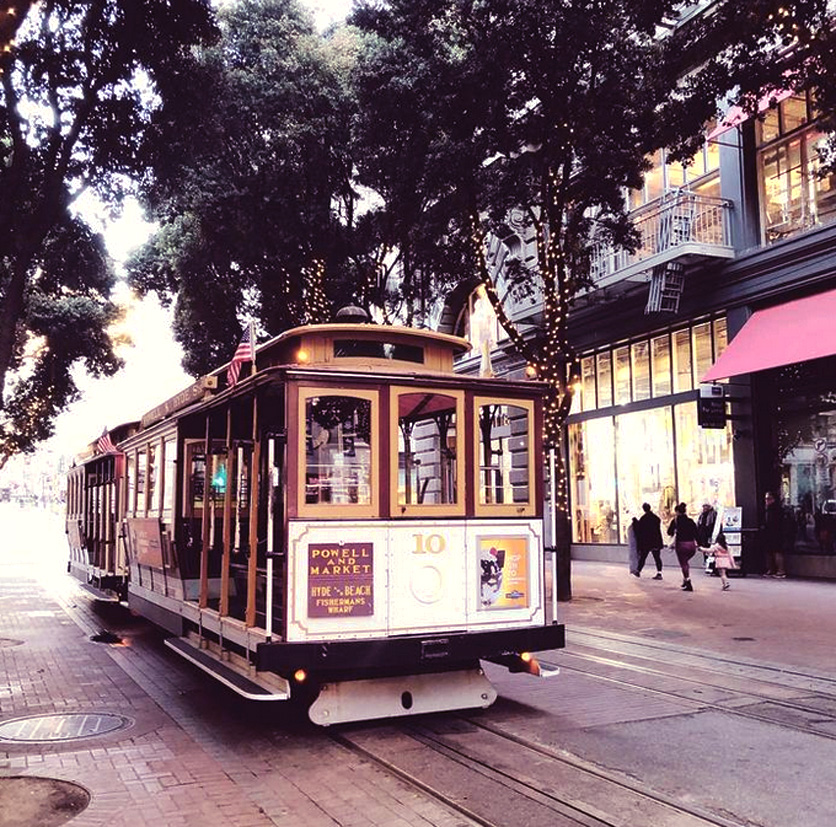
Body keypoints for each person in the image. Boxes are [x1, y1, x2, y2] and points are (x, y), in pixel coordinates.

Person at [667, 502, 699, 591]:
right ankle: (685, 580)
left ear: (677, 512)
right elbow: (696, 533)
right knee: (686, 563)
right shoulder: (690, 521)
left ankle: (688, 581)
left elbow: (669, 532)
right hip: (691, 545)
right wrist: (700, 544)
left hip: (681, 545)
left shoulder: (676, 521)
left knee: (684, 564)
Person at [634, 502, 664, 579]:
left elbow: (639, 529)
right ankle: (659, 572)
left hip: (647, 542)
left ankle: (638, 570)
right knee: (657, 558)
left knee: (643, 557)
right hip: (656, 541)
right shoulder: (656, 518)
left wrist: (635, 522)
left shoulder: (643, 519)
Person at [763, 491, 786, 577]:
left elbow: (776, 522)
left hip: (776, 533)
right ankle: (771, 569)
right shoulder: (767, 509)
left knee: (777, 552)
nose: (767, 501)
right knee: (769, 552)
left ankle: (780, 570)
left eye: (769, 499)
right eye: (766, 499)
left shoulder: (776, 509)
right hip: (769, 533)